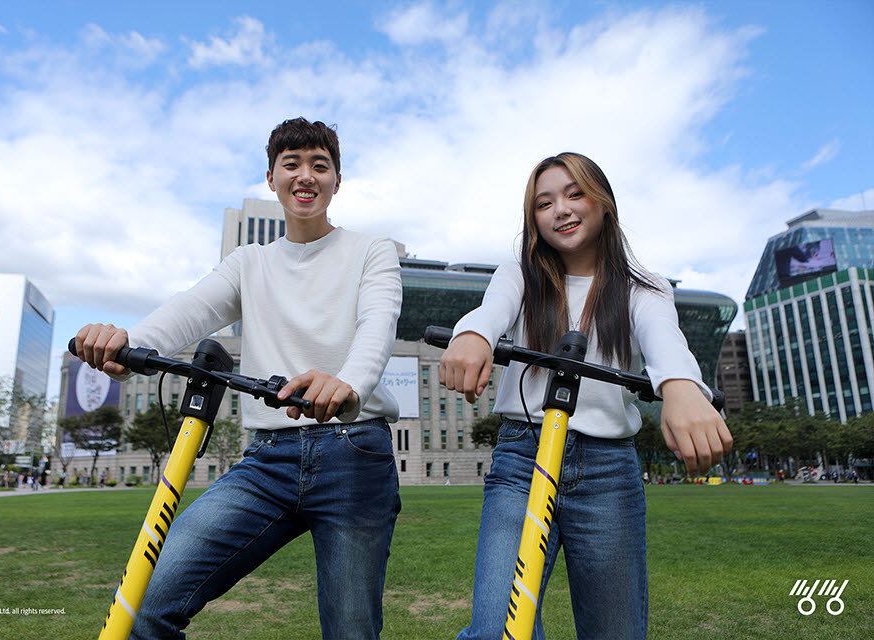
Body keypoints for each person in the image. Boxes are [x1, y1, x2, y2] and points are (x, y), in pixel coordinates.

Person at [73, 117, 402, 640]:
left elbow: (377, 326)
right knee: (143, 604)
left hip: (354, 456)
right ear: (271, 179)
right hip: (267, 459)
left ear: (337, 180)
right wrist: (128, 342)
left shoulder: (372, 251)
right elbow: (190, 308)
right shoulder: (250, 261)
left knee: (351, 632)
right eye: (291, 164)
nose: (306, 176)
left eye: (321, 165)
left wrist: (348, 384)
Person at [440, 153, 733, 640]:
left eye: (575, 194)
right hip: (523, 458)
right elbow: (490, 311)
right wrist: (473, 335)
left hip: (607, 472)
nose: (561, 209)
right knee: (495, 631)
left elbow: (664, 341)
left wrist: (681, 388)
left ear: (604, 203)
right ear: (532, 218)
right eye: (544, 202)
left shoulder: (644, 289)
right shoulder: (521, 272)